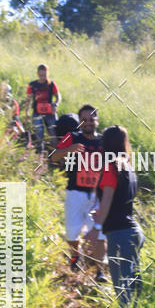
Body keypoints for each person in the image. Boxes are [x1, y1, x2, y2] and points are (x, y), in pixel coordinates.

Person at [51, 106, 106, 281]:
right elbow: (53, 157)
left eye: (92, 119)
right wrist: (69, 149)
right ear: (80, 122)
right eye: (85, 119)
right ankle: (75, 255)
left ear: (97, 121)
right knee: (72, 231)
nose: (88, 123)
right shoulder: (72, 137)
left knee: (98, 233)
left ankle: (100, 270)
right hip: (75, 192)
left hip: (97, 195)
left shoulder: (104, 141)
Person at [93, 125, 144, 306]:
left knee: (123, 292)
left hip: (119, 235)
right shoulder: (128, 168)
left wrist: (96, 224)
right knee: (135, 288)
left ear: (105, 144)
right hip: (134, 232)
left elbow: (106, 200)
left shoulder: (110, 167)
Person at [24, 64, 61, 155]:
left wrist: (55, 104)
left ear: (47, 74)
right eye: (40, 75)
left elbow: (58, 96)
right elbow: (28, 99)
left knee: (54, 135)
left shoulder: (51, 84)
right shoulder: (32, 85)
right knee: (39, 136)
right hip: (37, 113)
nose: (42, 77)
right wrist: (27, 112)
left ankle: (59, 156)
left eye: (44, 75)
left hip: (50, 113)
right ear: (37, 74)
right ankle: (40, 157)